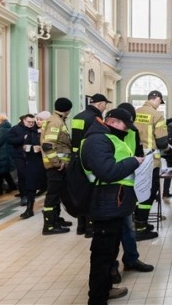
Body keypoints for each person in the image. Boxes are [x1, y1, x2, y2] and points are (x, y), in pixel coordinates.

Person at [80, 108, 145, 304]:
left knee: (110, 250)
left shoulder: (105, 137)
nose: (127, 131)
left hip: (112, 203)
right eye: (126, 126)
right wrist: (134, 161)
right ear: (113, 122)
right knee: (102, 253)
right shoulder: (97, 140)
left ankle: (106, 289)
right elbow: (107, 172)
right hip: (105, 203)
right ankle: (98, 298)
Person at [112, 102, 155, 280]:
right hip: (108, 187)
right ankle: (111, 267)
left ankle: (131, 259)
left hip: (127, 186)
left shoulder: (133, 131)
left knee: (128, 227)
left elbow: (138, 153)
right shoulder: (102, 135)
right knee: (110, 231)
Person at [71, 93, 110, 237]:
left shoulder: (78, 117)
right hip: (91, 159)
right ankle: (90, 227)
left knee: (81, 191)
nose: (105, 108)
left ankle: (80, 226)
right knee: (93, 192)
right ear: (100, 104)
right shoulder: (96, 119)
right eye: (105, 104)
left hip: (76, 159)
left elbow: (75, 139)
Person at [133, 90, 169, 241]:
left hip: (135, 159)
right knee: (148, 192)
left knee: (136, 190)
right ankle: (141, 227)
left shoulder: (135, 112)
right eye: (160, 102)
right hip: (151, 160)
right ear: (158, 99)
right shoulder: (157, 115)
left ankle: (137, 222)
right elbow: (162, 142)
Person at [39, 98, 74, 235]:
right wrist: (57, 163)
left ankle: (56, 219)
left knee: (57, 194)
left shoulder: (57, 120)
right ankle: (49, 226)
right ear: (67, 110)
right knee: (52, 195)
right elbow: (48, 145)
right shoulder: (55, 122)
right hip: (55, 166)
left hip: (58, 165)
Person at [8, 114, 44, 219]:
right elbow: (10, 140)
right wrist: (24, 141)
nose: (33, 123)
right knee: (24, 176)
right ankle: (26, 202)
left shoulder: (36, 130)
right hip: (22, 157)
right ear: (24, 120)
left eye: (35, 121)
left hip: (37, 159)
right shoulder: (16, 129)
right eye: (31, 121)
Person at [0, 116, 18, 196]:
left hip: (2, 153)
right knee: (4, 171)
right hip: (5, 152)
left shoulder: (1, 129)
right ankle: (12, 186)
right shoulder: (6, 128)